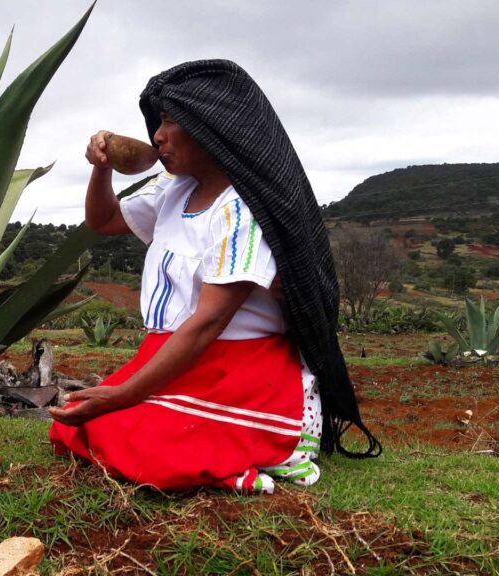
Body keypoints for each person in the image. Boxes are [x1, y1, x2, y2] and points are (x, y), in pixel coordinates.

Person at [49, 59, 380, 494]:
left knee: (141, 446)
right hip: (172, 356)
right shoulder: (175, 188)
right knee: (74, 428)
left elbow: (209, 323)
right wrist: (101, 167)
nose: (157, 136)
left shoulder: (243, 210)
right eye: (158, 122)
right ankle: (202, 444)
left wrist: (124, 394)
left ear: (211, 125)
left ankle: (262, 455)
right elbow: (104, 220)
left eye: (170, 121)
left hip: (239, 367)